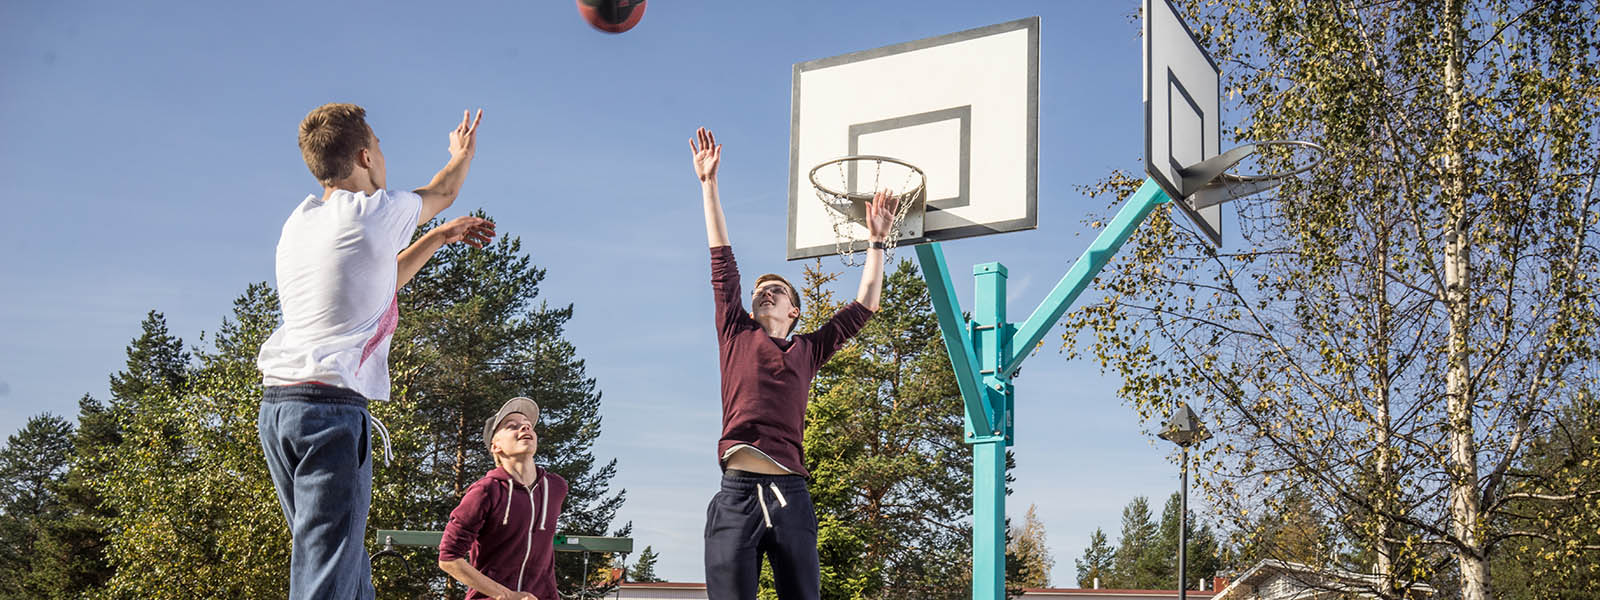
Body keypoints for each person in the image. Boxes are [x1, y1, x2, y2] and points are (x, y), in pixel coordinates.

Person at [256, 103, 495, 599]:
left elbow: (382, 281)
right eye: (382, 148)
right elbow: (445, 190)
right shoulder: (374, 210)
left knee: (344, 563)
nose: (385, 159)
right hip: (330, 413)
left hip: (281, 410)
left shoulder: (301, 223)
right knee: (327, 573)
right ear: (365, 156)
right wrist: (462, 152)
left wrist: (438, 237)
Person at [690, 127, 897, 599]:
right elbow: (721, 259)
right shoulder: (734, 332)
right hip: (736, 494)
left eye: (776, 290)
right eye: (760, 289)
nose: (765, 291)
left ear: (793, 310)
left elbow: (864, 307)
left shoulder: (808, 349)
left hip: (791, 497)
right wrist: (708, 184)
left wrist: (877, 242)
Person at [438, 397, 569, 600]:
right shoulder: (485, 491)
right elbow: (449, 558)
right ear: (496, 446)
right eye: (512, 426)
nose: (524, 426)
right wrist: (507, 595)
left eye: (527, 424)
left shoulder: (556, 488)